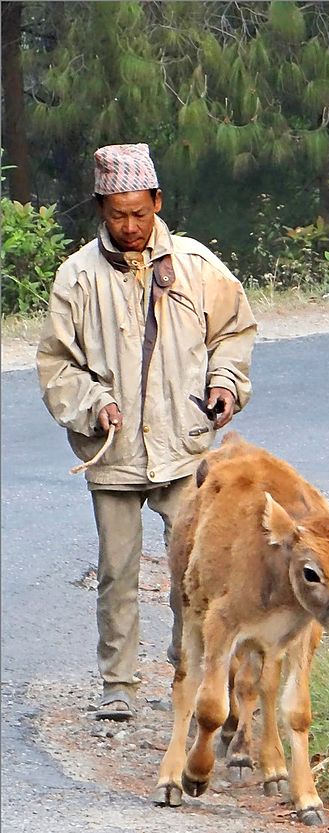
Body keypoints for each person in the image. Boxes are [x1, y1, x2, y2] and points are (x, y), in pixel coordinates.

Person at [36, 143, 257, 722]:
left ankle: (189, 667)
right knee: (117, 571)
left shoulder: (196, 266)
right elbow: (57, 364)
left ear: (158, 202)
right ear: (100, 210)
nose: (130, 226)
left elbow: (233, 333)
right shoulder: (77, 277)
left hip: (184, 449)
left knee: (195, 569)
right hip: (112, 453)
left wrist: (226, 384)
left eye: (139, 212)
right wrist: (93, 404)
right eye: (117, 214)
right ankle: (120, 684)